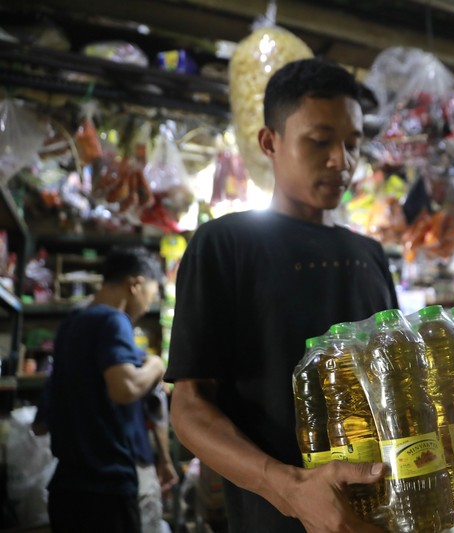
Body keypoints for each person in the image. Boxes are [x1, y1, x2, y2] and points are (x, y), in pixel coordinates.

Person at [166, 58, 398, 533]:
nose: (342, 160)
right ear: (269, 142)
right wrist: (290, 489)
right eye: (320, 140)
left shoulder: (370, 254)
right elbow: (188, 405)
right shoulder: (225, 244)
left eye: (352, 144)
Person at [46, 247, 168, 533]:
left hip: (66, 487)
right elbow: (124, 389)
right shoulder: (113, 320)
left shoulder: (71, 325)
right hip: (106, 489)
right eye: (150, 295)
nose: (148, 305)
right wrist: (156, 366)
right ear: (135, 284)